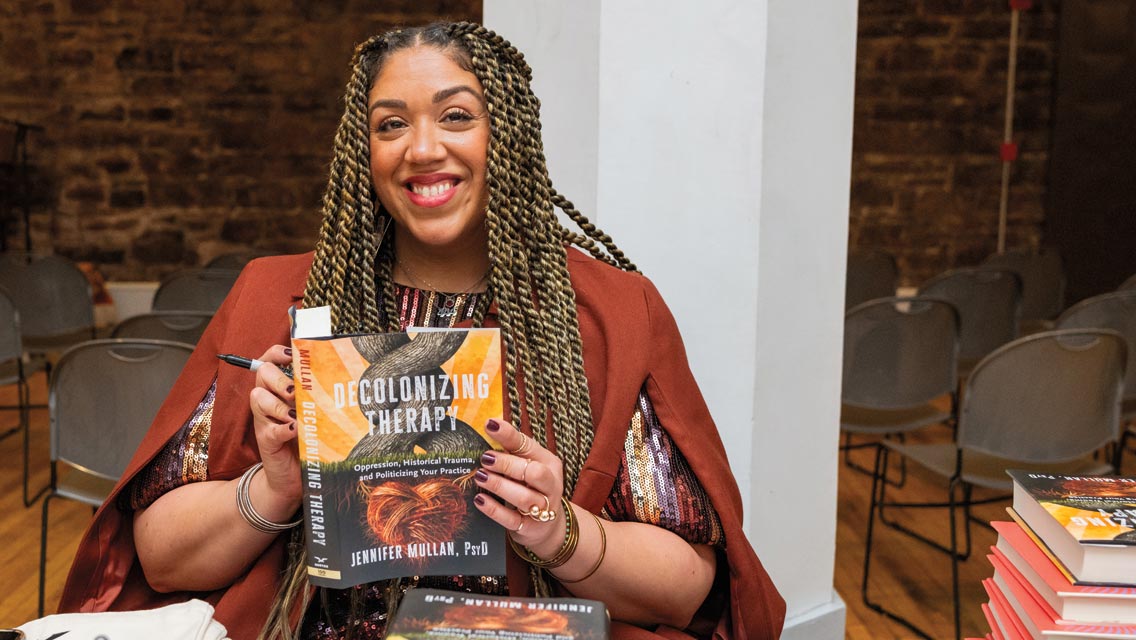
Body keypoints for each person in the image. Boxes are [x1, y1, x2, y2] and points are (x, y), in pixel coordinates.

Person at [59, 22, 785, 640]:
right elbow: (159, 559)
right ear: (364, 154)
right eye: (391, 123)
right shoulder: (274, 298)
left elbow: (691, 589)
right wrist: (277, 486)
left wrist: (557, 529)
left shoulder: (613, 315)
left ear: (508, 134)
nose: (422, 148)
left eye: (457, 116)